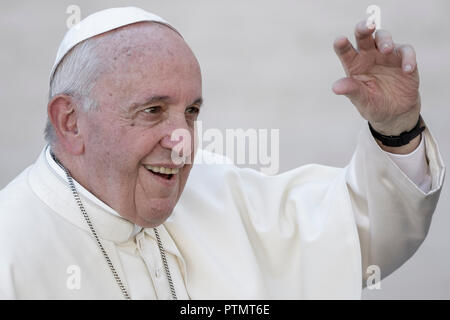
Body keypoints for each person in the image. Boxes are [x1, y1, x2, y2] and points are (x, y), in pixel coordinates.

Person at [0, 7, 445, 299]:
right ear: (70, 122)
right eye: (153, 111)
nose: (183, 141)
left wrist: (394, 129)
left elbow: (359, 238)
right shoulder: (11, 252)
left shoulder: (220, 190)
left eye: (191, 112)